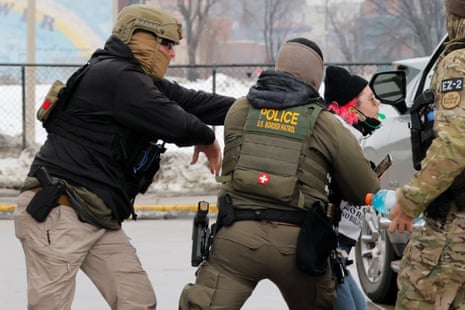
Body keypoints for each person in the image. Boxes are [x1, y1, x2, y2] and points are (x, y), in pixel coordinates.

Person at [13, 4, 235, 309]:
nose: (171, 54)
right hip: (58, 210)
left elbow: (193, 102)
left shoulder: (133, 79)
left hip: (95, 214)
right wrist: (207, 138)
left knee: (137, 301)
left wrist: (256, 107)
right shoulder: (116, 76)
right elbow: (174, 121)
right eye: (166, 44)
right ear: (140, 39)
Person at [178, 38, 380, 310]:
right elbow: (364, 188)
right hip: (298, 245)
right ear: (315, 76)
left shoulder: (239, 110)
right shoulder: (325, 123)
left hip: (235, 236)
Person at [388, 1, 465, 309]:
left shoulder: (458, 62)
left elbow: (455, 144)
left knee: (415, 295)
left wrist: (410, 201)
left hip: (454, 223)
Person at [324, 65, 382, 310]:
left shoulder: (349, 136)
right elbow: (365, 189)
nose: (378, 103)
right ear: (351, 108)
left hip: (338, 254)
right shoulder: (341, 138)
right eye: (371, 99)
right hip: (327, 251)